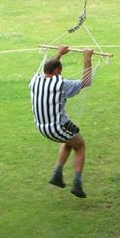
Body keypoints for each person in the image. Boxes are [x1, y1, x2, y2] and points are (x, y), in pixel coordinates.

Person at [30, 45, 94, 198]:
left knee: (68, 141)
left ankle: (57, 175)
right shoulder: (61, 85)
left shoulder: (34, 80)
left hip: (42, 128)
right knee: (80, 145)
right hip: (58, 127)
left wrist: (59, 53)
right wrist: (87, 58)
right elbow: (86, 82)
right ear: (58, 71)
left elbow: (51, 68)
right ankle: (77, 183)